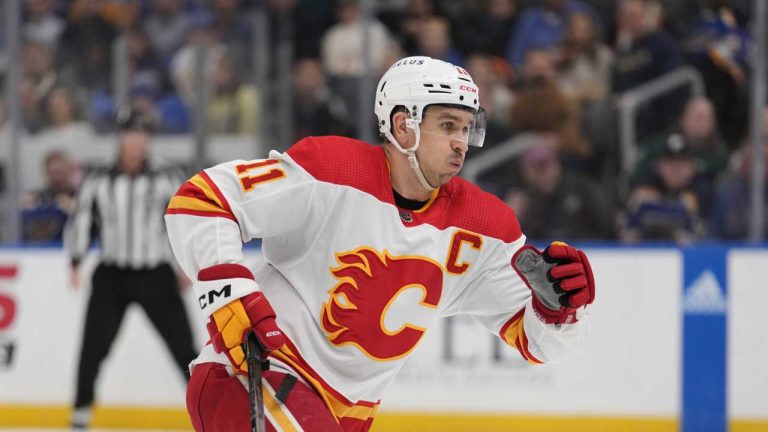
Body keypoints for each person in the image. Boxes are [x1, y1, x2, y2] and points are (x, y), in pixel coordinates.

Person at [166, 56, 596, 431]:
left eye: (466, 128)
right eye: (447, 125)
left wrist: (559, 310)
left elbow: (540, 344)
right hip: (252, 376)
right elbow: (201, 199)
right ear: (401, 124)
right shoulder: (329, 169)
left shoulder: (484, 227)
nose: (460, 142)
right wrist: (229, 297)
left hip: (343, 415)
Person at [65, 108, 197, 429]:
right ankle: (80, 413)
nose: (135, 141)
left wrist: (187, 266)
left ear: (148, 138)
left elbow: (184, 220)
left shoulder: (167, 175)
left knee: (185, 349)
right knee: (93, 347)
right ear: (121, 138)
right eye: (129, 134)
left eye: (141, 134)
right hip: (112, 274)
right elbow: (82, 220)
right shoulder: (98, 179)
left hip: (156, 274)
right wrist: (76, 260)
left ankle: (206, 411)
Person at [20, 149, 77, 243]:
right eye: (54, 172)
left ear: (69, 170)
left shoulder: (82, 195)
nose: (58, 175)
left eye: (60, 171)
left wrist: (76, 210)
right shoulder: (36, 197)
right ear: (46, 172)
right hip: (45, 249)